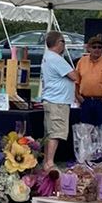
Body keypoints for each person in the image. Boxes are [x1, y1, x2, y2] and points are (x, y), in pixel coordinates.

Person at [37, 29, 76, 169]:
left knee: (50, 132)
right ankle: (50, 162)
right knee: (55, 133)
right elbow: (74, 76)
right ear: (59, 43)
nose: (64, 45)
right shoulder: (56, 59)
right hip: (58, 102)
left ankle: (46, 162)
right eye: (63, 42)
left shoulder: (48, 57)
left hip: (52, 100)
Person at [71, 35, 102, 127]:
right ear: (89, 48)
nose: (97, 49)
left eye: (99, 47)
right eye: (94, 47)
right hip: (85, 101)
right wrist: (77, 95)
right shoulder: (82, 61)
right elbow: (76, 81)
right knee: (86, 129)